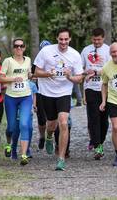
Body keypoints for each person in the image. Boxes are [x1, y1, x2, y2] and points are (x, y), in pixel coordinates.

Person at [34, 28, 83, 171]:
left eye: (66, 39)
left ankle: (61, 158)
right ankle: (49, 136)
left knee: (63, 122)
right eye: (61, 39)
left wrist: (69, 77)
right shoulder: (46, 51)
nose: (63, 42)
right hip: (47, 93)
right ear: (57, 38)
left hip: (64, 93)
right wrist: (47, 73)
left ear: (70, 39)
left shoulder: (74, 55)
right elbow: (36, 72)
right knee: (51, 125)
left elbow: (79, 78)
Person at [0, 38, 33, 165]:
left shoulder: (28, 60)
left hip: (25, 96)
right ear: (13, 48)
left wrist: (30, 75)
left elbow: (29, 73)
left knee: (24, 124)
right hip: (11, 97)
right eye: (16, 46)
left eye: (21, 46)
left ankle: (23, 155)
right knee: (12, 127)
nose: (19, 48)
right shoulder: (8, 61)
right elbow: (0, 78)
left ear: (24, 47)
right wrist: (13, 79)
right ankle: (8, 143)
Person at [81, 28, 111, 159]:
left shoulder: (108, 50)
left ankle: (99, 141)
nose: (96, 42)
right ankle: (98, 146)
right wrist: (85, 74)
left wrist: (96, 72)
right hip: (90, 88)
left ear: (103, 38)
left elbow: (111, 69)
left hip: (105, 88)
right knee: (93, 118)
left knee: (104, 120)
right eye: (94, 39)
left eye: (99, 39)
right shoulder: (86, 50)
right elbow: (80, 69)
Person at [11, 79, 37, 159]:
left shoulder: (32, 85)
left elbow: (34, 96)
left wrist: (34, 105)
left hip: (28, 110)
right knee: (16, 131)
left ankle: (26, 149)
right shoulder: (15, 83)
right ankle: (13, 149)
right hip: (17, 109)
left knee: (29, 128)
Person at [35, 40, 51, 150]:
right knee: (41, 119)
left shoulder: (56, 59)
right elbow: (31, 76)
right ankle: (42, 137)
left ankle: (50, 136)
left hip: (53, 93)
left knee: (53, 118)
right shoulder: (37, 62)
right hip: (40, 92)